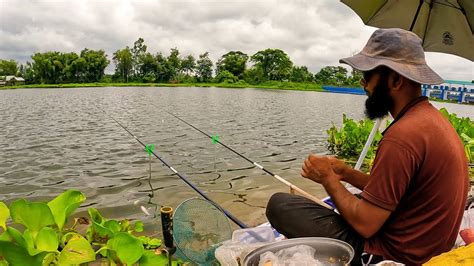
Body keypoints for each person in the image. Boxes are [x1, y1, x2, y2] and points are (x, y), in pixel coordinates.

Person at [266, 28, 469, 265]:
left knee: (281, 205)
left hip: (393, 253)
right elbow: (397, 192)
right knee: (357, 198)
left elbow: (365, 225)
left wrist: (328, 179)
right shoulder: (431, 121)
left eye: (368, 76)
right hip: (427, 245)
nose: (364, 85)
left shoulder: (403, 136)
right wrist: (346, 173)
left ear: (395, 80)